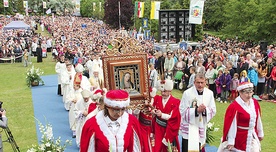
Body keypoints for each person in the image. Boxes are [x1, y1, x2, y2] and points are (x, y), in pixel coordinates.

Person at [219, 82, 264, 152]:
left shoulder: (254, 103)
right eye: (246, 93)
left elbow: (258, 119)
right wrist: (231, 141)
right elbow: (231, 124)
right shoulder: (234, 106)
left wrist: (260, 133)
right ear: (240, 92)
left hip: (251, 135)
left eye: (251, 92)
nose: (249, 95)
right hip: (239, 137)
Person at [179, 73, 216, 152]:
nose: (200, 85)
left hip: (201, 125)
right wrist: (196, 111)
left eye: (202, 83)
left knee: (199, 148)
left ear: (205, 82)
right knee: (187, 148)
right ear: (194, 82)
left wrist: (205, 110)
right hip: (189, 128)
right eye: (198, 82)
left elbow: (213, 110)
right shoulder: (187, 93)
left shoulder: (209, 93)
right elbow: (182, 110)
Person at [151, 79, 181, 152]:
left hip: (168, 129)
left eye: (165, 91)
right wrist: (153, 111)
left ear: (170, 91)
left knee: (167, 148)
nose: (162, 93)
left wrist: (162, 115)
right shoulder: (157, 98)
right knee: (157, 148)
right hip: (158, 128)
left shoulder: (176, 102)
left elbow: (174, 118)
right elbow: (151, 107)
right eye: (161, 91)